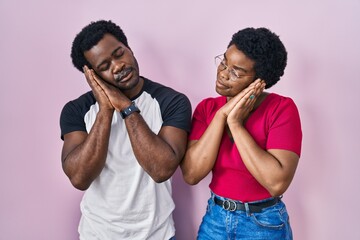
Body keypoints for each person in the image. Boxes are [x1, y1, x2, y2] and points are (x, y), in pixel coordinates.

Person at [59, 20, 192, 240]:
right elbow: (80, 178)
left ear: (129, 48)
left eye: (119, 53)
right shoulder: (76, 110)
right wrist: (105, 110)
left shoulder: (172, 101)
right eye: (104, 66)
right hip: (97, 234)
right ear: (92, 75)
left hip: (157, 235)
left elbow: (161, 170)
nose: (118, 66)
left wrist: (126, 107)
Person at [180, 27, 302, 239]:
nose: (223, 74)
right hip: (215, 219)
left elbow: (276, 183)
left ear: (259, 81)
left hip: (263, 223)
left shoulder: (281, 109)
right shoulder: (207, 109)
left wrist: (235, 124)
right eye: (224, 62)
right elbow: (191, 174)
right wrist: (221, 116)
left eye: (236, 72)